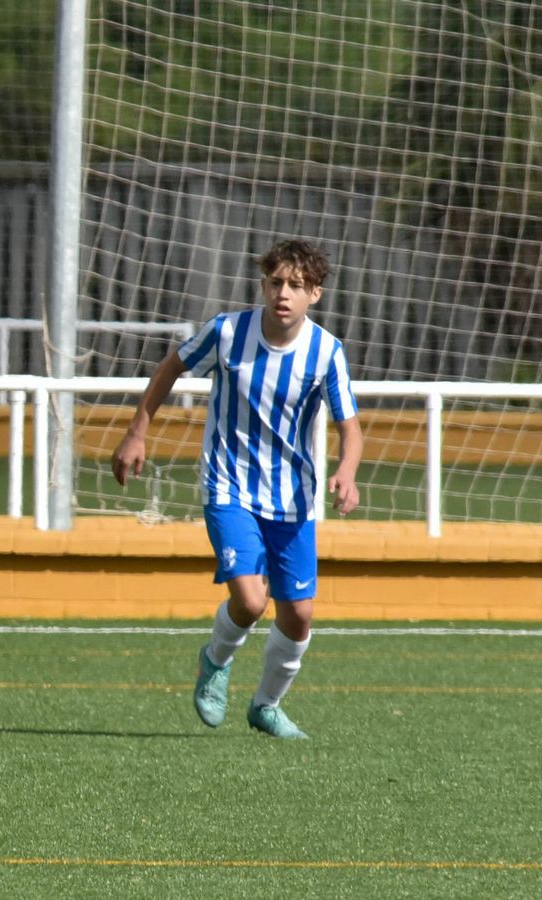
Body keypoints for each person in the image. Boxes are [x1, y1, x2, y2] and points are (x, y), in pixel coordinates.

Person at [110, 238, 362, 740]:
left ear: (315, 293)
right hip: (228, 486)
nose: (282, 294)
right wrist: (137, 430)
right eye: (275, 283)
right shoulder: (228, 332)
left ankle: (266, 705)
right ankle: (215, 662)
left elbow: (349, 427)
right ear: (263, 285)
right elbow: (171, 367)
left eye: (295, 285)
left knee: (299, 615)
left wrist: (347, 471)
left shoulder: (325, 352)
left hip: (292, 499)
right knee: (249, 600)